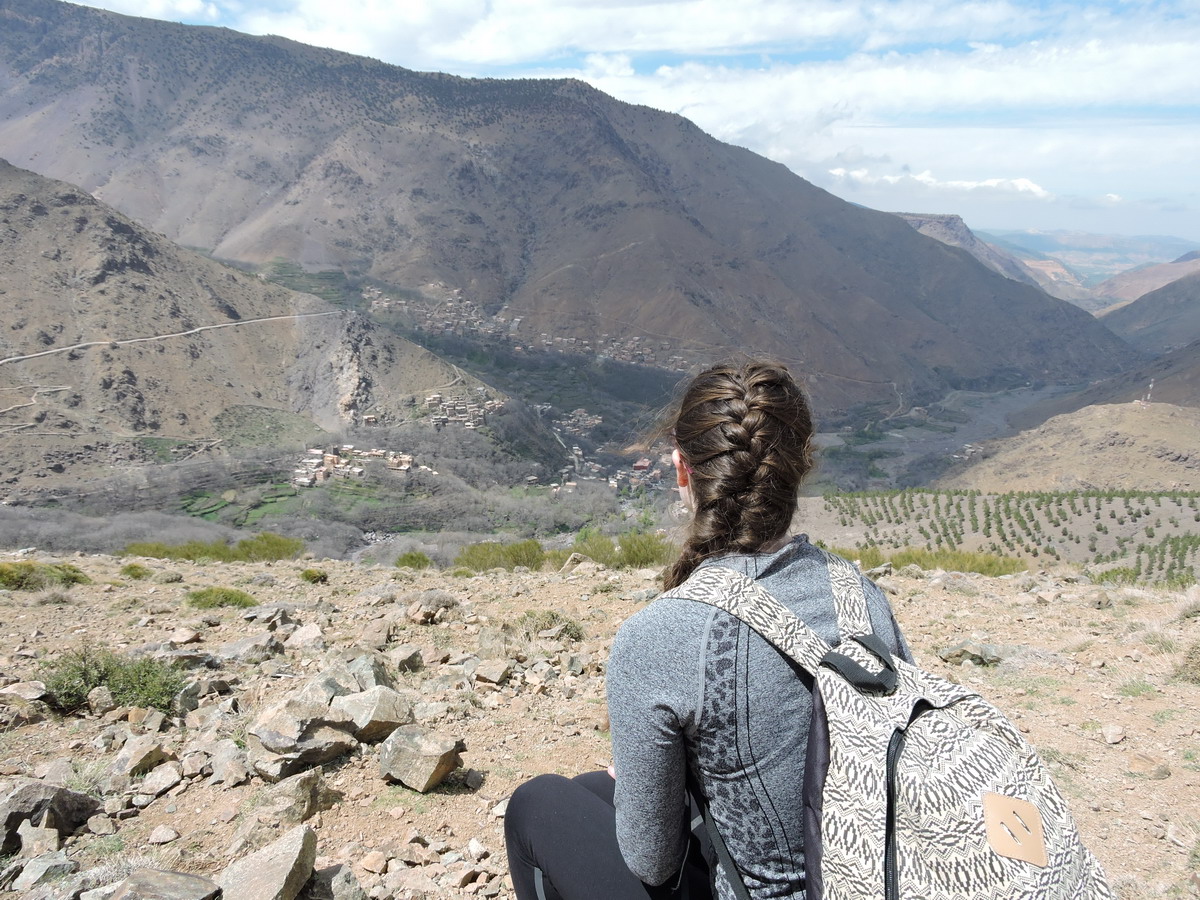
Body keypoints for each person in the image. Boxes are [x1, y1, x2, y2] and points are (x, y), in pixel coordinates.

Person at [504, 359, 912, 900]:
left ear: (682, 468)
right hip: (873, 876)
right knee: (587, 791)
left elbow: (650, 862)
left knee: (540, 805)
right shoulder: (861, 595)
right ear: (799, 466)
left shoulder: (663, 633)